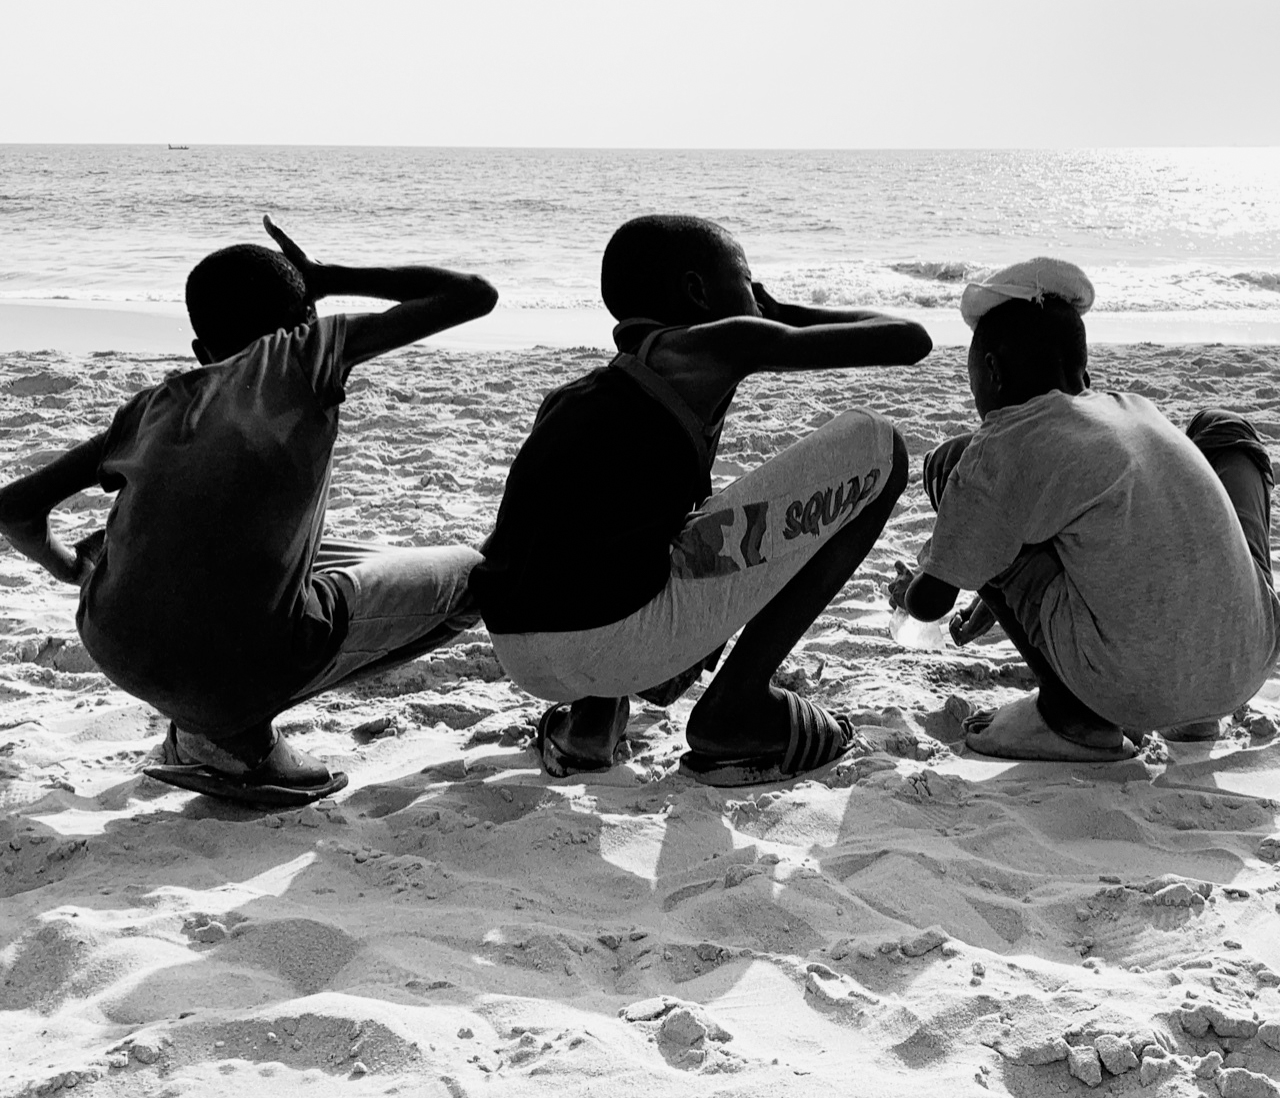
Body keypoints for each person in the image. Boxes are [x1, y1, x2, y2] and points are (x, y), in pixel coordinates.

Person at [0, 217, 497, 807]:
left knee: (302, 560)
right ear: (306, 319)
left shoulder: (147, 408)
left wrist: (71, 570)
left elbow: (16, 507)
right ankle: (236, 738)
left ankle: (202, 727)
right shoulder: (307, 353)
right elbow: (474, 295)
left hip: (113, 643)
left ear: (200, 351)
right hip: (237, 665)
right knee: (477, 578)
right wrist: (329, 277)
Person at [470, 213, 931, 784]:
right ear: (697, 291)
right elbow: (912, 341)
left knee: (627, 530)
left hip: (518, 647)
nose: (755, 295)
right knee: (880, 447)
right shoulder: (714, 343)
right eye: (746, 280)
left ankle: (589, 726)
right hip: (610, 639)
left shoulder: (575, 395)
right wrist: (778, 312)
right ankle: (736, 706)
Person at [890, 258, 1280, 761]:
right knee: (1222, 427)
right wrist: (991, 589)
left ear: (992, 371)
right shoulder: (1136, 409)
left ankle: (1073, 718)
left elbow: (929, 605)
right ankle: (1197, 719)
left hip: (1128, 687)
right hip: (1245, 665)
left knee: (951, 466)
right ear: (1085, 375)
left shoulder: (1003, 443)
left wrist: (915, 586)